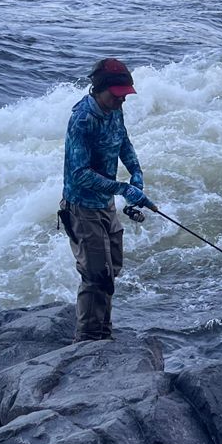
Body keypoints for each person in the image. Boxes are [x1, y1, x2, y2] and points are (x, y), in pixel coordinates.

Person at [59, 58, 155, 342]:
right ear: (98, 90)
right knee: (95, 273)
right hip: (82, 206)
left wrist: (136, 173)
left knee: (111, 268)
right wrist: (123, 189)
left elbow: (123, 142)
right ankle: (88, 338)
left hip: (105, 204)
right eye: (116, 96)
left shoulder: (115, 111)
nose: (121, 101)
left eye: (124, 96)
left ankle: (104, 332)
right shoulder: (82, 119)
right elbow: (79, 174)